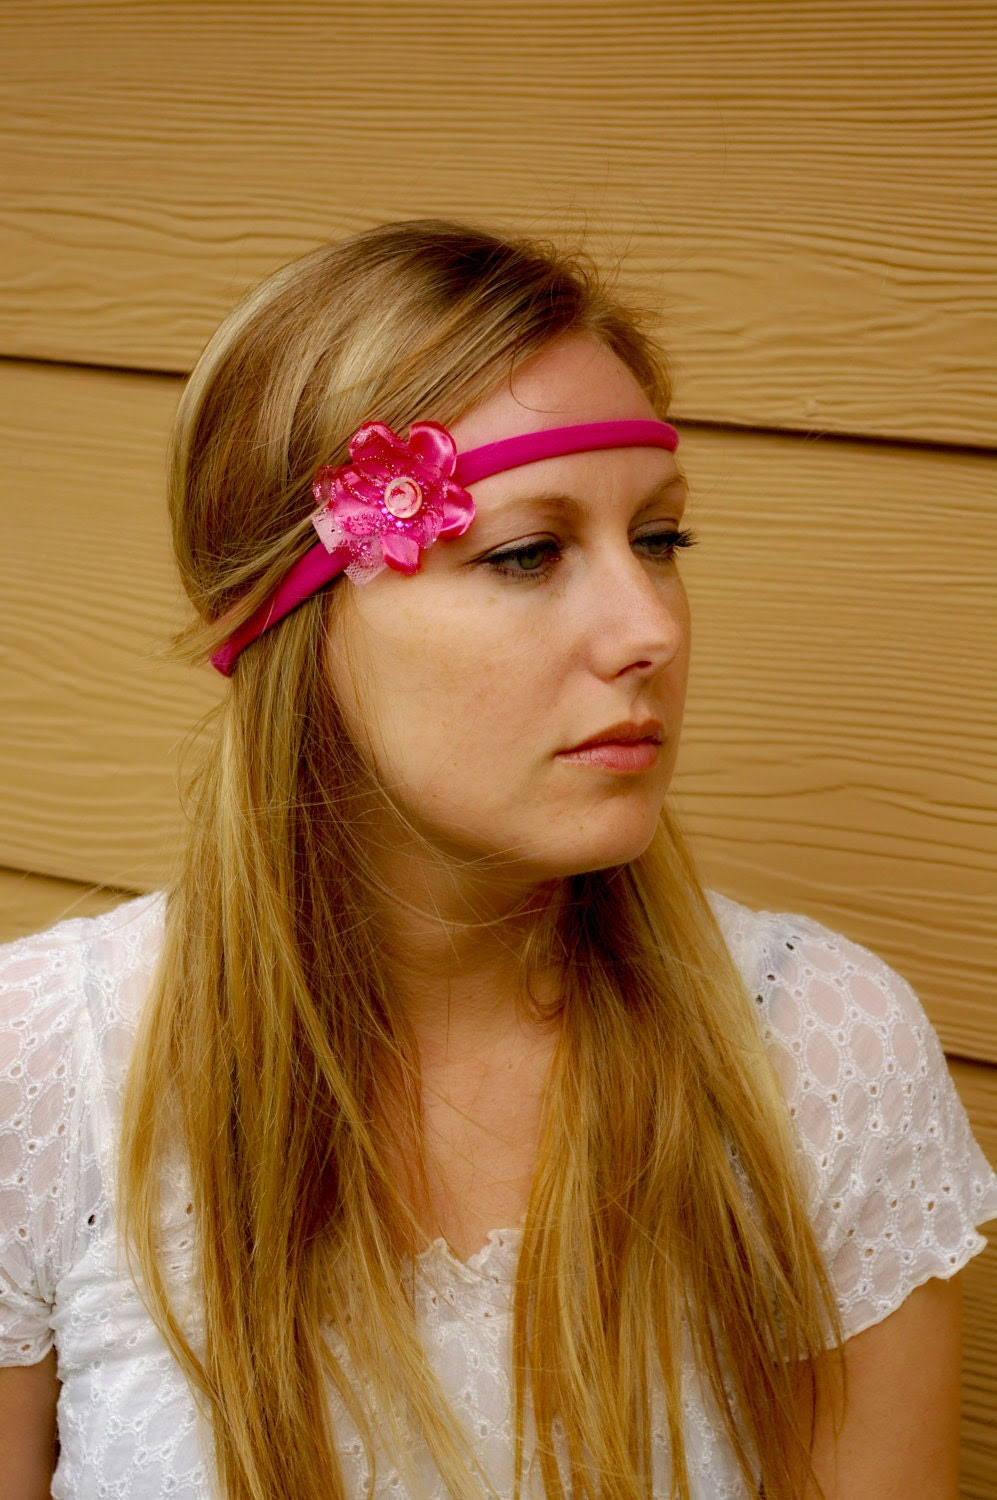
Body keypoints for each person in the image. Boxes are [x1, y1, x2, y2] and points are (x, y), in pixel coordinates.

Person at [1, 220, 995, 1500]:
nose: (647, 629)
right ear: (287, 618)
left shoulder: (815, 1055)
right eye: (527, 553)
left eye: (660, 540)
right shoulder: (49, 1071)